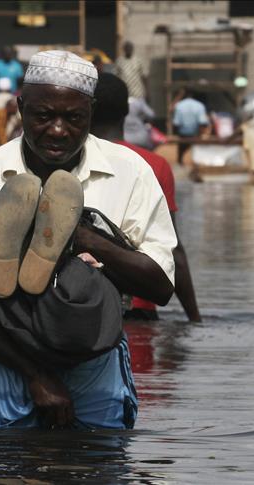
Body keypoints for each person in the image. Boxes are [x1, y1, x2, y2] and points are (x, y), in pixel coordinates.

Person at [0, 50, 177, 430]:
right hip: (12, 359)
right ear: (21, 108)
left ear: (90, 113)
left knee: (91, 466)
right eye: (44, 116)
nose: (58, 130)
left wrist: (84, 239)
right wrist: (36, 375)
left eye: (73, 118)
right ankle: (24, 260)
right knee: (14, 468)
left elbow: (160, 287)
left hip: (96, 355)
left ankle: (68, 241)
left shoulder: (131, 173)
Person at [91, 72, 201, 322]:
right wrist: (194, 318)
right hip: (139, 306)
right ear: (126, 111)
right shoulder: (154, 164)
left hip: (80, 303)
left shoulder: (69, 160)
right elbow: (173, 248)